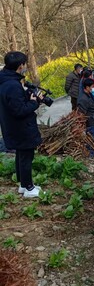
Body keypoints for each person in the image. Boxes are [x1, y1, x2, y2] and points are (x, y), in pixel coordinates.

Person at [0, 51, 43, 198]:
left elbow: (13, 104)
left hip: (14, 127)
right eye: (24, 64)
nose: (25, 66)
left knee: (21, 155)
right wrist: (34, 102)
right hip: (21, 128)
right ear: (20, 66)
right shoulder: (12, 85)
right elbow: (19, 110)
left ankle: (24, 185)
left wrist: (26, 96)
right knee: (26, 157)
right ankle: (29, 188)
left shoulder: (6, 81)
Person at [77, 78, 94, 143]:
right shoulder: (83, 99)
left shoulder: (89, 94)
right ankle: (91, 153)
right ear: (87, 87)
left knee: (93, 140)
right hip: (89, 123)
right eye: (92, 86)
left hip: (93, 120)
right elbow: (81, 114)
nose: (93, 88)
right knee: (91, 142)